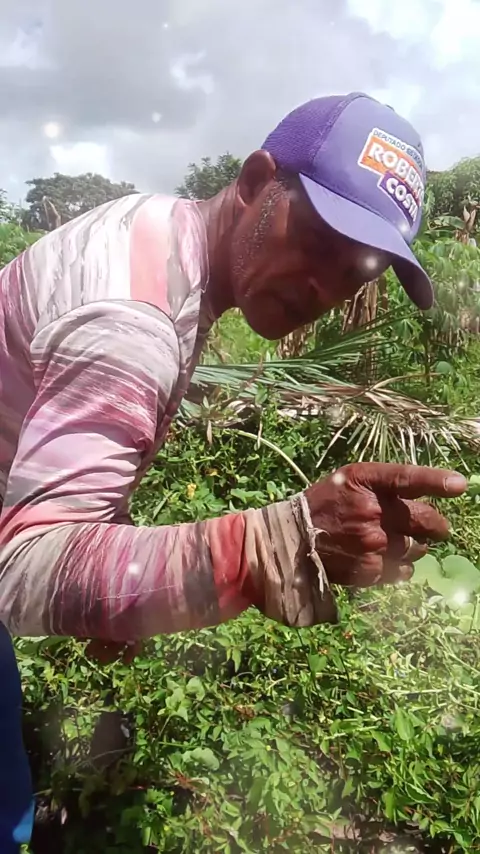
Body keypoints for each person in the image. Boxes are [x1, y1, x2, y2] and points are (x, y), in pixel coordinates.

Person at [0, 91, 467, 851]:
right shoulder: (134, 319)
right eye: (317, 237)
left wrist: (105, 569)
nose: (326, 289)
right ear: (254, 182)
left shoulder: (164, 236)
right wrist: (274, 545)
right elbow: (22, 569)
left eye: (359, 269)